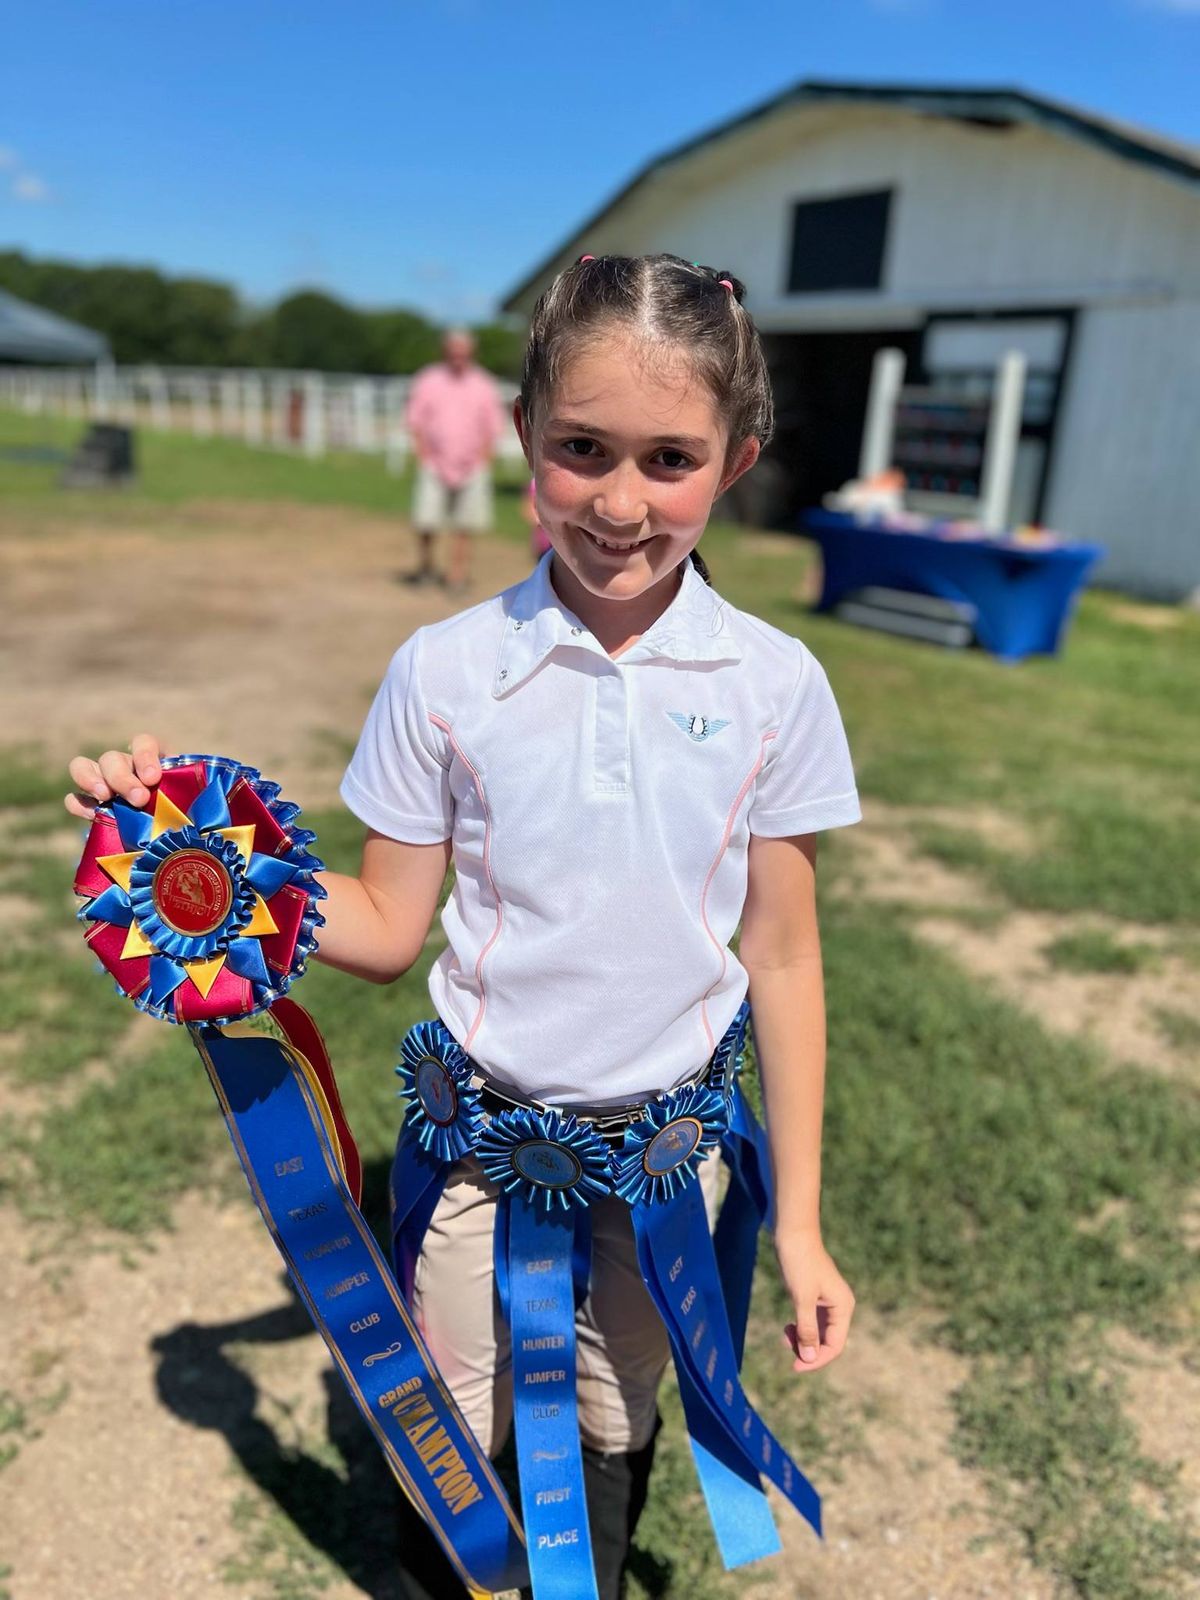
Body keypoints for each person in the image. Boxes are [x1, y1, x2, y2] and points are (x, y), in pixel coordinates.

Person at [65, 254, 860, 1600]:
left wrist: (800, 1228)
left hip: (670, 1168)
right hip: (479, 1156)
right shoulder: (444, 671)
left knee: (618, 1418)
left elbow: (781, 953)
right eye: (581, 450)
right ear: (520, 437)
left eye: (670, 458)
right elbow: (382, 923)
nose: (618, 501)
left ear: (737, 462)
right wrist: (195, 864)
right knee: (454, 1429)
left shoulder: (777, 685)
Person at [405, 328, 506, 593]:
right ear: (445, 352)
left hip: (472, 465)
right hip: (434, 462)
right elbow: (415, 418)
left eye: (463, 353)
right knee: (426, 519)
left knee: (465, 523)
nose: (457, 358)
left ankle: (456, 573)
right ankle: (426, 567)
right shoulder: (429, 380)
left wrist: (484, 458)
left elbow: (493, 426)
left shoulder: (484, 384)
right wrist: (422, 453)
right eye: (453, 353)